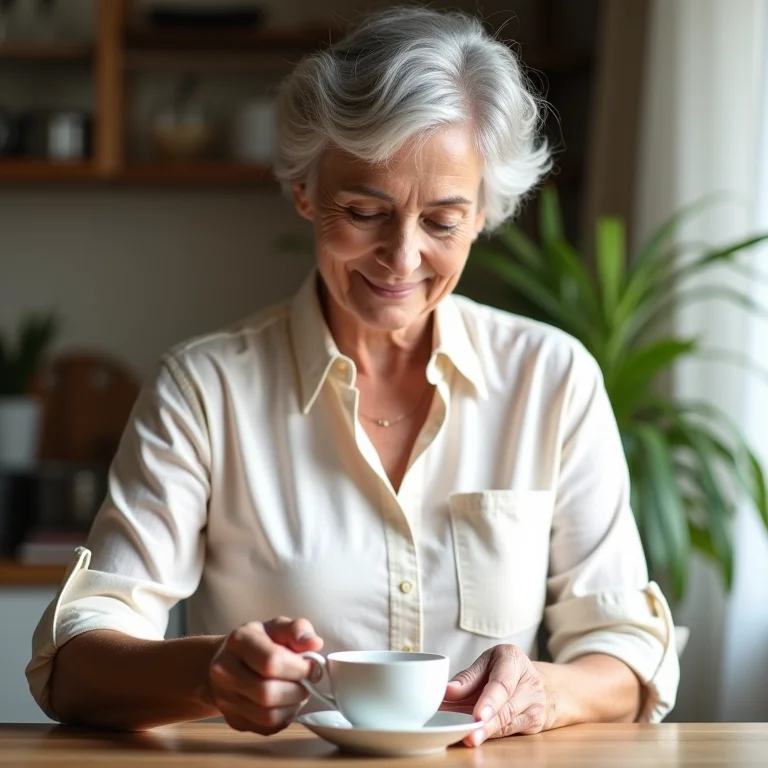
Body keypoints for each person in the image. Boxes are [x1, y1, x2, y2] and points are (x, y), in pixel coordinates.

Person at [27, 7, 679, 746]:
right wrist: (210, 672)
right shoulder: (205, 390)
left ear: (484, 214)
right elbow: (73, 661)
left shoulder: (551, 379)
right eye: (365, 210)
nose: (401, 259)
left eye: (441, 221)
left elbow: (629, 652)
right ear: (305, 192)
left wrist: (540, 692)